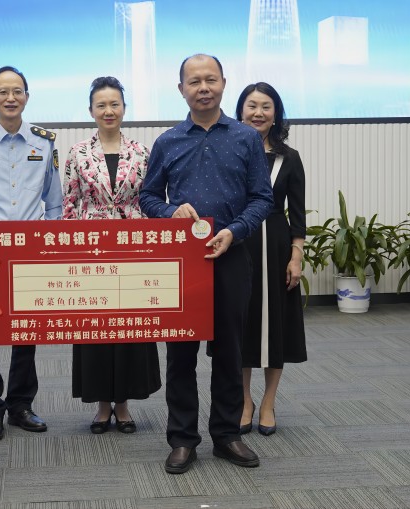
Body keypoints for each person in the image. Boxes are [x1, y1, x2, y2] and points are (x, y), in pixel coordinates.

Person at [139, 54, 274, 474]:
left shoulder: (246, 138)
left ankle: (227, 435)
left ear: (223, 84)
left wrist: (235, 230)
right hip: (182, 264)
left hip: (231, 255)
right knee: (180, 354)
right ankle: (182, 439)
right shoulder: (167, 141)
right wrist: (170, 212)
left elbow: (262, 198)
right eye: (194, 81)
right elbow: (147, 197)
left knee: (230, 351)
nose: (203, 87)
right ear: (181, 89)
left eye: (210, 80)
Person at [0, 66, 63, 442]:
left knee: (27, 330)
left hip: (30, 248)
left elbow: (54, 201)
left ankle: (21, 404)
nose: (10, 98)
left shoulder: (44, 142)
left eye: (17, 91)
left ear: (26, 96)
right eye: (2, 92)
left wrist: (51, 243)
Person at [63, 76, 161, 434]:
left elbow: (150, 200)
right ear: (91, 110)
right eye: (101, 105)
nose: (108, 110)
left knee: (130, 326)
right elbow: (70, 204)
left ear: (124, 108)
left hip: (134, 247)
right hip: (91, 248)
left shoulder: (142, 152)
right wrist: (70, 253)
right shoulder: (77, 153)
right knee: (97, 326)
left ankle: (124, 405)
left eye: (114, 104)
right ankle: (102, 405)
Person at [235, 83, 308, 436]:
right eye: (252, 105)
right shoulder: (230, 150)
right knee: (241, 325)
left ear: (276, 114)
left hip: (277, 247)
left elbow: (298, 214)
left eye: (266, 106)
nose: (258, 113)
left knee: (275, 325)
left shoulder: (289, 158)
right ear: (240, 111)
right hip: (238, 245)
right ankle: (244, 401)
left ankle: (268, 402)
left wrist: (296, 257)